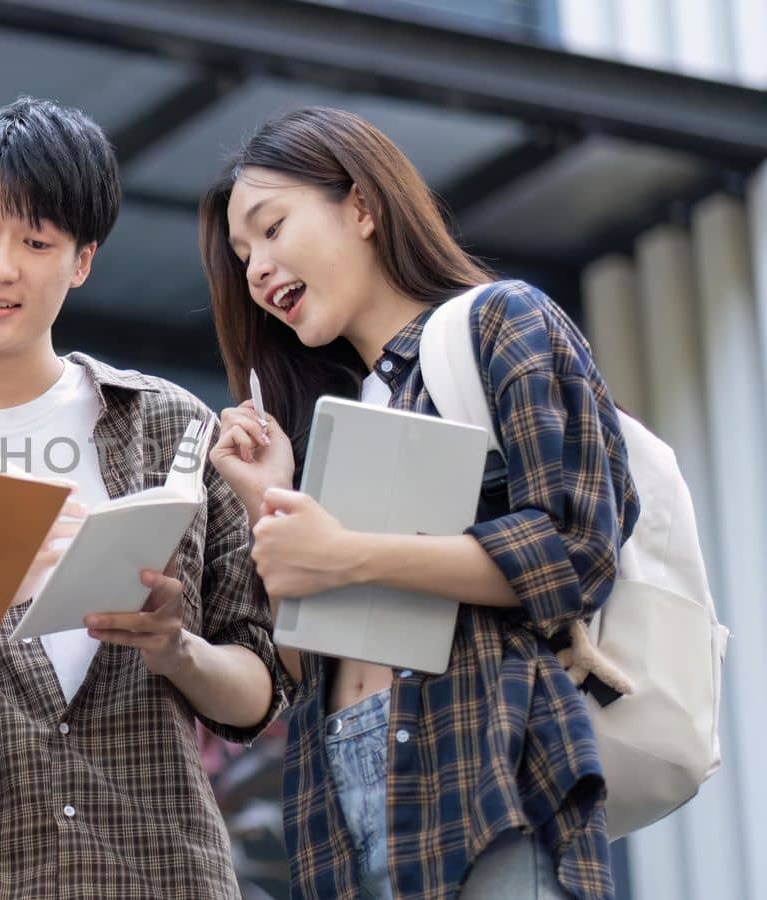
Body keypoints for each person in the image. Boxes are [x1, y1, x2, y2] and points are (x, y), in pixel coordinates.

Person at [0, 97, 285, 899]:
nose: (0, 267)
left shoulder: (170, 427)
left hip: (161, 869)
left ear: (82, 261)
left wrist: (177, 649)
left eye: (37, 242)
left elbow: (257, 689)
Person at [202, 107, 639, 900]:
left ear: (363, 207)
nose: (257, 269)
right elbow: (305, 668)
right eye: (242, 256)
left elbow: (577, 549)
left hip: (485, 771)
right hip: (338, 794)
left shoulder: (501, 323)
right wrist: (273, 500)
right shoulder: (325, 422)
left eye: (272, 229)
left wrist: (346, 554)